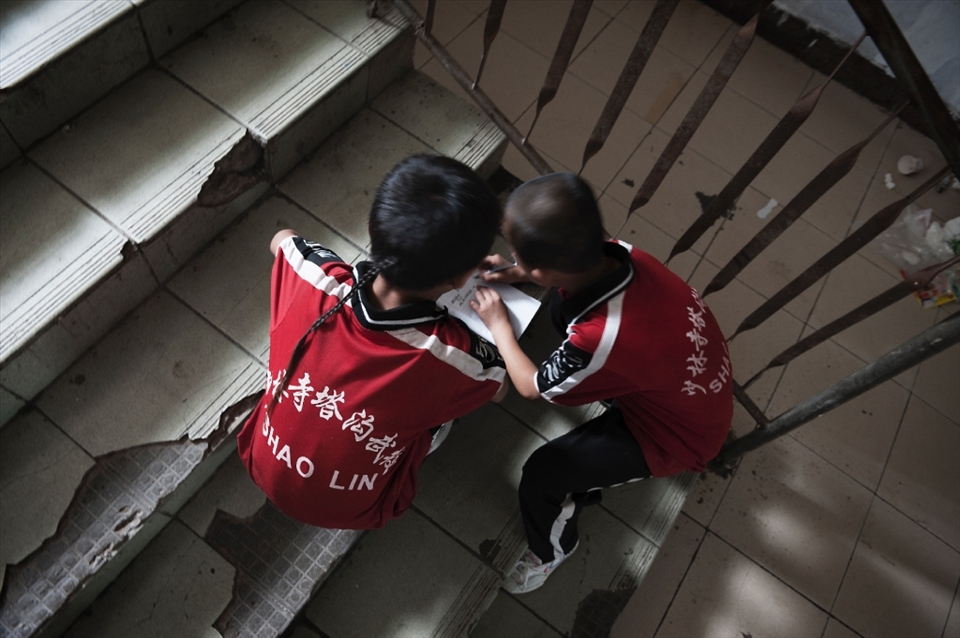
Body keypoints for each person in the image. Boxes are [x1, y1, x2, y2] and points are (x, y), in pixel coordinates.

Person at [471, 172, 732, 593]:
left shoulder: (601, 339)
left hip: (675, 437)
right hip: (685, 385)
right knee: (561, 305)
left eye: (518, 256)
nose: (510, 260)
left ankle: (552, 550)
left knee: (543, 474)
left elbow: (531, 387)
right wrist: (519, 273)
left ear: (544, 267)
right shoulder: (625, 254)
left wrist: (500, 326)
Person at [237, 154, 508, 530]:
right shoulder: (450, 355)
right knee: (439, 415)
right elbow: (499, 387)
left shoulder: (309, 275)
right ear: (462, 278)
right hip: (355, 510)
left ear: (370, 227)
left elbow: (281, 239)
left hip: (257, 457)